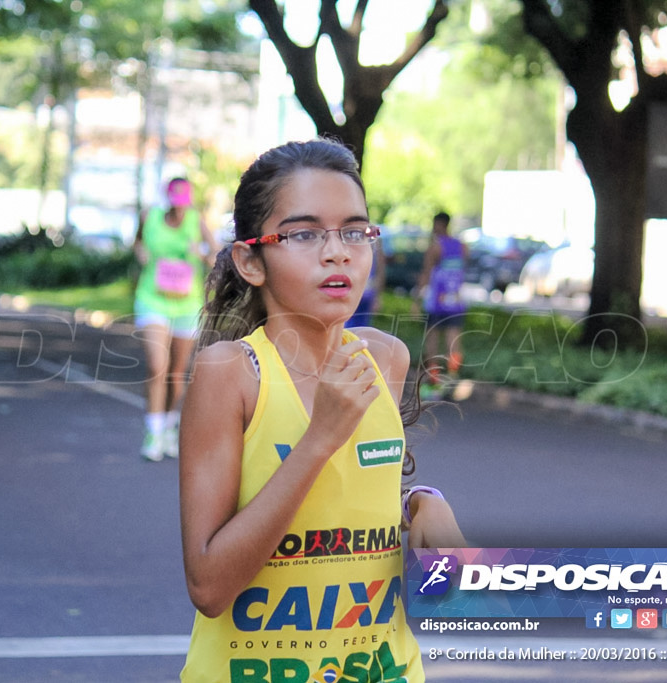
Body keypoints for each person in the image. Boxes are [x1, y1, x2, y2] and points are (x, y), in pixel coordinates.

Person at [178, 139, 463, 681]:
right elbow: (209, 586)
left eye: (355, 231)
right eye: (305, 234)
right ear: (250, 260)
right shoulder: (231, 373)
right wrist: (317, 440)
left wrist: (421, 504)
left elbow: (349, 498)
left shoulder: (386, 358)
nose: (338, 252)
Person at [133, 177, 217, 462]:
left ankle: (169, 424)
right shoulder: (150, 217)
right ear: (167, 199)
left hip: (186, 304)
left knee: (177, 373)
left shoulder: (197, 221)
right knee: (158, 365)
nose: (179, 210)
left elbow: (217, 256)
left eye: (184, 204)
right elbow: (138, 243)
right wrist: (141, 252)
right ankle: (153, 432)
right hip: (152, 299)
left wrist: (201, 253)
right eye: (175, 203)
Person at [414, 211, 468, 398]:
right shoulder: (462, 246)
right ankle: (452, 380)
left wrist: (416, 301)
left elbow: (426, 274)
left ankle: (434, 384)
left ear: (439, 224)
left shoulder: (435, 247)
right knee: (454, 342)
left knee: (432, 343)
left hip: (437, 302)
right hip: (455, 302)